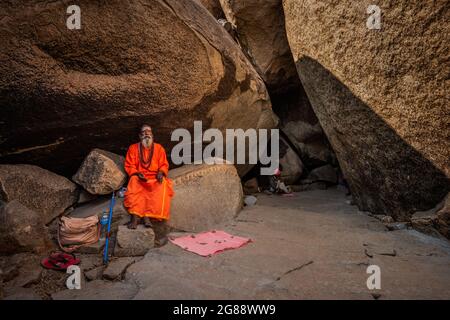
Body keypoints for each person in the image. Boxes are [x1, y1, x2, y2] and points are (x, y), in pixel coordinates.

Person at [124, 124, 174, 229]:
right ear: (139, 136)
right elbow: (129, 165)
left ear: (152, 135)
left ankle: (147, 216)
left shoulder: (159, 148)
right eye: (144, 132)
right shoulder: (133, 148)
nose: (147, 133)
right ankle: (135, 217)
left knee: (162, 184)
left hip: (154, 177)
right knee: (133, 181)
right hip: (139, 177)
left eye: (149, 131)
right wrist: (137, 173)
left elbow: (164, 164)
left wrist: (161, 172)